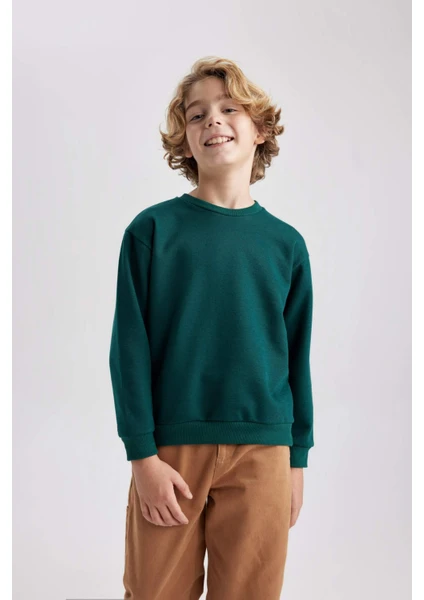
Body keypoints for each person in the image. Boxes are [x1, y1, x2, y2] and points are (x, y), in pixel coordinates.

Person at [109, 55, 315, 600]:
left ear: (260, 130)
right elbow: (128, 351)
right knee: (153, 591)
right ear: (184, 138)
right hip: (171, 451)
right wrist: (142, 457)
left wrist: (296, 459)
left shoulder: (286, 245)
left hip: (264, 452)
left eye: (229, 109)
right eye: (197, 115)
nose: (212, 121)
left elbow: (296, 358)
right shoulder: (152, 232)